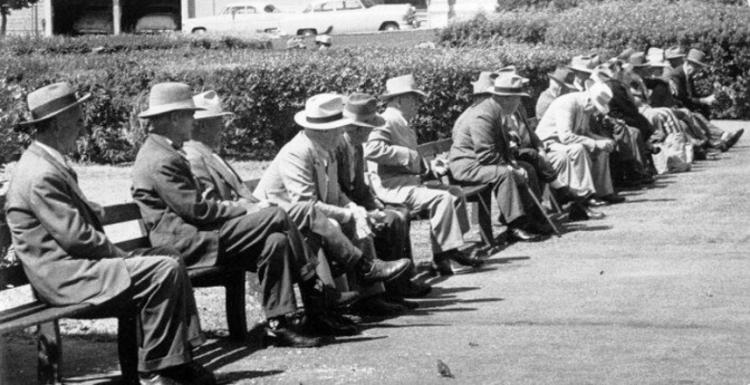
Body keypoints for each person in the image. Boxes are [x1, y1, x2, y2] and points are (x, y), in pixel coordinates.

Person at [6, 82, 214, 385]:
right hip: (65, 279)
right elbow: (77, 238)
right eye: (77, 120)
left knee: (168, 257)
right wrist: (122, 256)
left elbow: (66, 222)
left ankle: (178, 361)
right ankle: (157, 371)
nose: (82, 127)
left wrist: (88, 208)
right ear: (58, 123)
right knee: (162, 268)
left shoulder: (44, 163)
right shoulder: (40, 173)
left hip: (73, 268)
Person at [131, 82, 345, 348]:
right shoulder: (160, 158)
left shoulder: (166, 150)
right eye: (189, 115)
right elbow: (198, 210)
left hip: (200, 235)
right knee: (276, 215)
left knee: (275, 242)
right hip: (187, 243)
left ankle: (279, 324)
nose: (193, 122)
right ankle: (314, 287)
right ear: (174, 118)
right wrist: (245, 209)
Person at [182, 90, 361, 335]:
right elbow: (209, 205)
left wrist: (255, 206)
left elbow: (240, 196)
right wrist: (253, 208)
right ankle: (329, 284)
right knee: (295, 215)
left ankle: (287, 321)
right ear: (200, 126)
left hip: (239, 226)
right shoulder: (194, 157)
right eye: (218, 123)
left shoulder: (210, 154)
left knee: (278, 238)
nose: (223, 129)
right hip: (217, 237)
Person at [253, 93, 414, 315]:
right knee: (338, 224)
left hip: (309, 215)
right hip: (281, 218)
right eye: (339, 127)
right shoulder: (297, 151)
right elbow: (305, 204)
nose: (342, 132)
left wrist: (354, 208)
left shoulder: (325, 149)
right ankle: (351, 289)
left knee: (358, 218)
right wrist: (349, 215)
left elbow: (335, 194)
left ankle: (371, 296)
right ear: (324, 130)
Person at [364, 74, 482, 277]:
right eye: (415, 99)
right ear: (400, 100)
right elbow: (372, 149)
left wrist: (429, 165)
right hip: (393, 188)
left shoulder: (402, 122)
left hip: (409, 184)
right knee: (442, 197)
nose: (418, 104)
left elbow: (412, 162)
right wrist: (408, 156)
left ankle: (453, 250)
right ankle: (443, 256)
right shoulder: (386, 121)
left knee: (455, 192)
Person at [335, 92, 432, 299]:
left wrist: (375, 206)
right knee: (386, 220)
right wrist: (361, 209)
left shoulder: (357, 147)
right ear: (353, 127)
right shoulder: (339, 147)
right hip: (341, 207)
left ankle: (399, 285)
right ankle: (381, 293)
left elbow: (359, 187)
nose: (371, 134)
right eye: (369, 129)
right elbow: (336, 190)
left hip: (354, 203)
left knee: (398, 216)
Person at [448, 70, 552, 244]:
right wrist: (511, 168)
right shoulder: (484, 114)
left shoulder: (496, 111)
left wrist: (515, 165)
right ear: (506, 99)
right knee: (504, 174)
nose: (519, 102)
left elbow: (502, 149)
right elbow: (486, 154)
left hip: (481, 164)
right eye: (518, 98)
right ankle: (515, 225)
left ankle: (530, 217)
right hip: (468, 166)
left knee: (527, 168)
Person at [535, 83, 626, 206]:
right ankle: (585, 195)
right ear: (589, 100)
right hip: (548, 143)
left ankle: (604, 192)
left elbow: (585, 132)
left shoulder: (585, 106)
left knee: (601, 149)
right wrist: (595, 143)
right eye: (595, 107)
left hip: (564, 142)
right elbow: (566, 136)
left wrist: (603, 140)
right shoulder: (567, 104)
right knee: (578, 149)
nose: (595, 112)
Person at [667, 48, 744, 149]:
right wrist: (704, 100)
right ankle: (721, 136)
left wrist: (708, 99)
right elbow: (682, 99)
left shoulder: (688, 75)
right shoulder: (676, 75)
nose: (697, 70)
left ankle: (718, 138)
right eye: (696, 67)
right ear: (689, 63)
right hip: (675, 107)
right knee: (695, 115)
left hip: (684, 106)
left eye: (699, 67)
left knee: (701, 111)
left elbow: (692, 95)